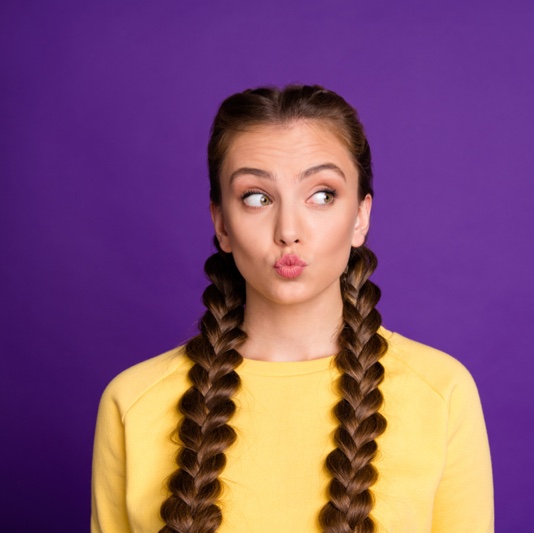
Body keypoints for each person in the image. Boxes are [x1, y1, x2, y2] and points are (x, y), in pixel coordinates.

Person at [91, 85, 493, 533]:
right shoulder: (133, 402)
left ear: (360, 217)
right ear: (221, 224)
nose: (288, 231)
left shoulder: (441, 392)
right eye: (257, 197)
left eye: (321, 194)